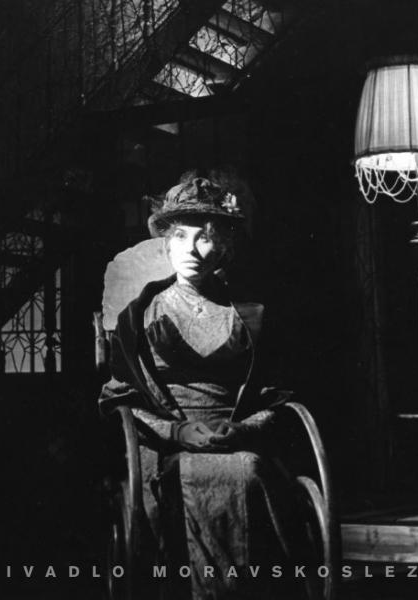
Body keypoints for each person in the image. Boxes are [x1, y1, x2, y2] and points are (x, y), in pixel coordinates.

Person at [99, 174, 313, 599]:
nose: (192, 250)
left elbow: (276, 397)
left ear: (225, 246)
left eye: (205, 237)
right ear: (166, 244)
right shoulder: (141, 314)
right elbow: (119, 399)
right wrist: (176, 431)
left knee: (250, 470)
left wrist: (244, 429)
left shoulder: (249, 314)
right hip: (164, 445)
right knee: (187, 473)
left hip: (237, 437)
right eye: (180, 236)